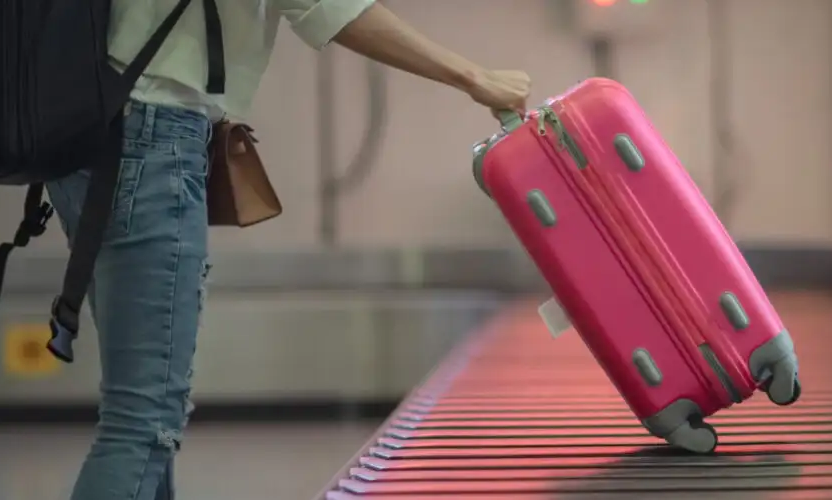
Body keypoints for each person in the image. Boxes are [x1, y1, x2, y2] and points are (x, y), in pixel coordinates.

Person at [56, 1, 531, 499]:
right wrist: (474, 76)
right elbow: (326, 6)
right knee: (142, 422)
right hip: (150, 137)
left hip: (92, 132)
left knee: (144, 415)